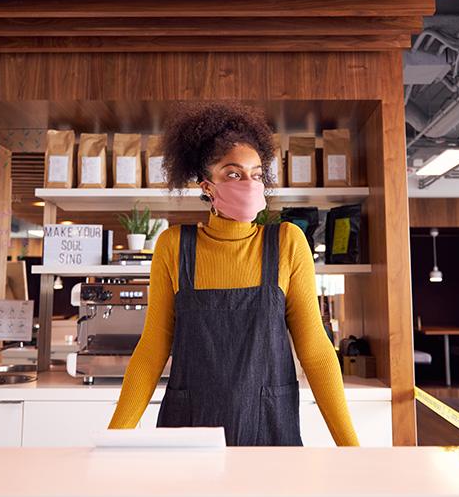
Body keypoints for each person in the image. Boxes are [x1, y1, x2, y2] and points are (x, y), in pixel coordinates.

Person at [108, 102, 358, 446]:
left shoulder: (287, 242)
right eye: (233, 173)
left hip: (269, 425)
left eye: (256, 174)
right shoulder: (174, 245)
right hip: (189, 430)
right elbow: (152, 348)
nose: (249, 183)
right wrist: (112, 440)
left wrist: (351, 448)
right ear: (206, 185)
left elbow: (315, 350)